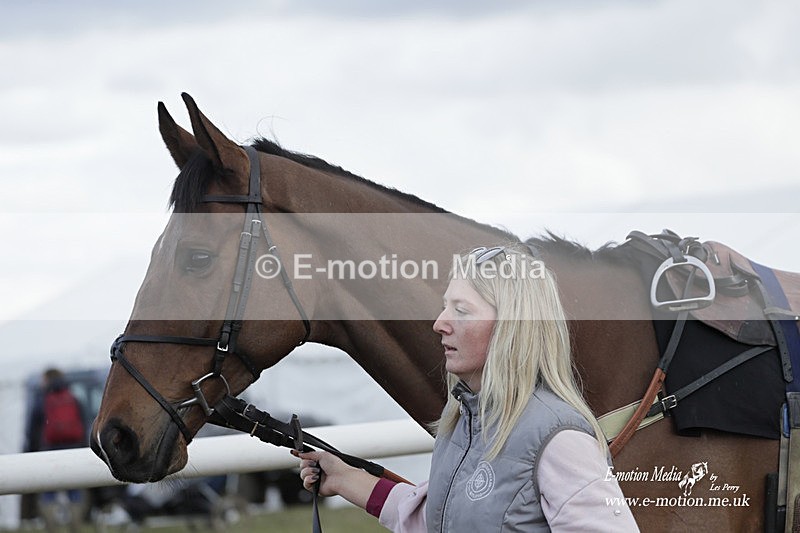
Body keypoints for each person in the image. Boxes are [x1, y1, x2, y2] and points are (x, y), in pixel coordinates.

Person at [297, 244, 638, 531]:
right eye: (446, 306)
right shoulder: (462, 419)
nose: (439, 323)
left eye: (460, 310)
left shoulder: (559, 439)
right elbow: (437, 519)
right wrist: (342, 478)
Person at [24, 368, 87, 533]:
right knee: (75, 492)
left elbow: (32, 432)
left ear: (47, 380)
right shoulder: (74, 398)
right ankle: (75, 527)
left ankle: (51, 528)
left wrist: (31, 454)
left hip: (48, 454)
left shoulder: (41, 401)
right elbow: (84, 427)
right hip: (73, 453)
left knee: (47, 494)